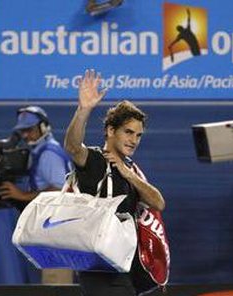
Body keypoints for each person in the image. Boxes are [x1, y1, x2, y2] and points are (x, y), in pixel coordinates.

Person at [64, 69, 166, 296]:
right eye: (128, 132)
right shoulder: (95, 160)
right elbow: (72, 147)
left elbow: (158, 203)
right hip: (100, 268)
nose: (134, 140)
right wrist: (84, 110)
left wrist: (127, 172)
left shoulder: (131, 169)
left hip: (123, 267)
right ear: (110, 130)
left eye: (138, 135)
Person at [0, 105, 73, 284]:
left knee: (55, 281)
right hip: (48, 226)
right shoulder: (40, 151)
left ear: (43, 127)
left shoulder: (48, 154)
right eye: (23, 131)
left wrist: (21, 195)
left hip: (55, 227)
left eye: (30, 129)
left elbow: (60, 191)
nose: (26, 135)